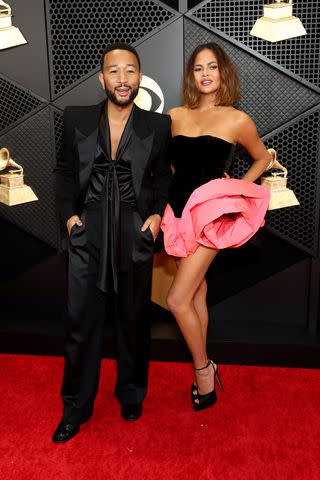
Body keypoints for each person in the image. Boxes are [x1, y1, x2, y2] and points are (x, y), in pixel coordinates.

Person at [53, 42, 171, 442]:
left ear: (140, 77)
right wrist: (70, 218)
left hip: (133, 231)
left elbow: (163, 177)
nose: (123, 79)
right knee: (81, 323)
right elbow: (65, 171)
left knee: (134, 318)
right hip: (87, 230)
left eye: (130, 71)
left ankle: (131, 393)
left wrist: (155, 217)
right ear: (102, 78)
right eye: (114, 71)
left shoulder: (158, 126)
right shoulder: (75, 118)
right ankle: (75, 407)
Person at [161, 42, 271, 412]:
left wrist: (235, 186)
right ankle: (203, 366)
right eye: (197, 68)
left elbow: (262, 158)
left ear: (223, 72)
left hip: (209, 216)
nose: (205, 74)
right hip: (176, 211)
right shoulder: (174, 115)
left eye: (212, 67)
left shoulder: (237, 120)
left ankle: (203, 370)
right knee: (195, 296)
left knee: (176, 300)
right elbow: (172, 167)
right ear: (191, 76)